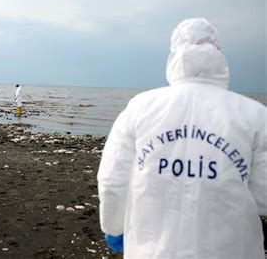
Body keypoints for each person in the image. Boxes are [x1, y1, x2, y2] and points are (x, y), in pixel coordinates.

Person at [97, 18, 266, 259]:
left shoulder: (141, 108)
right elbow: (263, 196)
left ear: (174, 54)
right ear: (219, 53)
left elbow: (112, 181)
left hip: (152, 250)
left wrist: (113, 227)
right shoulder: (254, 115)